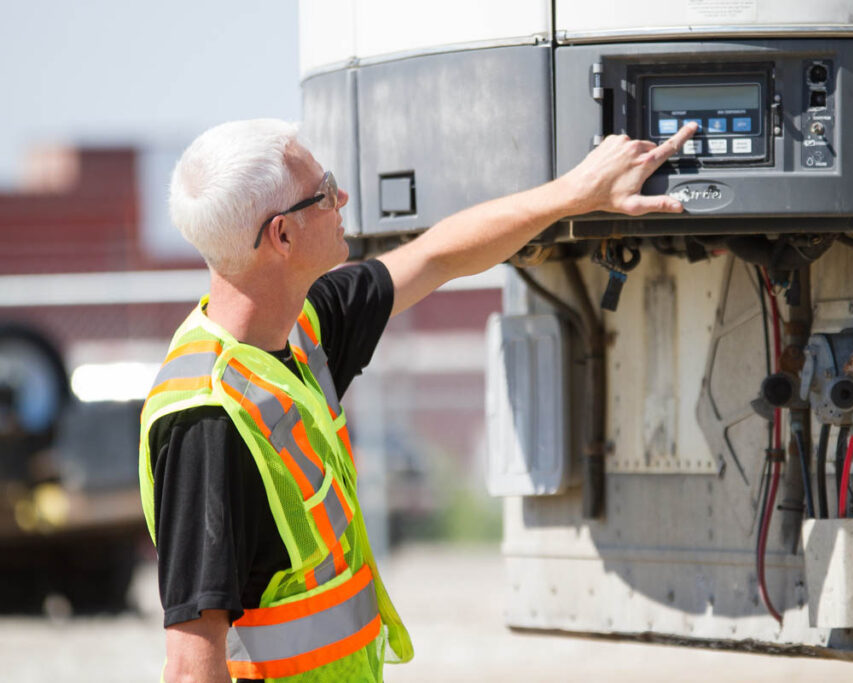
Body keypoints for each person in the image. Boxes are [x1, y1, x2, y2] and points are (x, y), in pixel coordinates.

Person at [139, 117, 698, 682]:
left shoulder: (299, 330)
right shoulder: (207, 420)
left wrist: (578, 192)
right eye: (324, 192)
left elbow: (437, 255)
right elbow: (190, 669)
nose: (342, 199)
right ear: (282, 236)